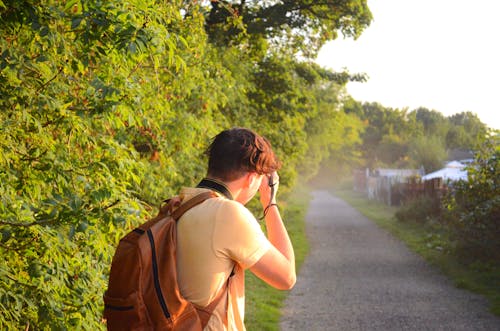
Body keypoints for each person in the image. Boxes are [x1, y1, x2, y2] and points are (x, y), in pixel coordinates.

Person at [175, 127, 296, 330]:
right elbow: (286, 277)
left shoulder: (179, 203)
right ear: (251, 177)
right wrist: (270, 201)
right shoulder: (228, 213)